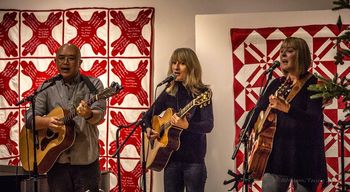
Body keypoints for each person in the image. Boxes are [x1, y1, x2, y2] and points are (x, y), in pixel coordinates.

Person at [249, 37, 328, 192]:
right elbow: (257, 109)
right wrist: (247, 130)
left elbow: (314, 118)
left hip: (304, 156)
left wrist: (288, 108)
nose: (283, 55)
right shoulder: (275, 83)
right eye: (282, 51)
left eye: (290, 51)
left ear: (301, 55)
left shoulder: (314, 83)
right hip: (276, 156)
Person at [24, 43, 106, 192]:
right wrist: (47, 122)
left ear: (80, 62)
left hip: (86, 161)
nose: (65, 62)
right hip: (56, 162)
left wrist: (88, 114)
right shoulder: (47, 87)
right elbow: (30, 118)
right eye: (61, 58)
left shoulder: (94, 85)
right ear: (55, 61)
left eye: (71, 58)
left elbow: (99, 116)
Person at [144, 48, 214, 192]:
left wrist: (187, 126)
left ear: (191, 67)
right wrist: (148, 128)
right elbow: (147, 116)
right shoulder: (169, 90)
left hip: (194, 161)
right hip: (170, 160)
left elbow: (208, 125)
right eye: (174, 63)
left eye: (182, 63)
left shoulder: (202, 93)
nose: (176, 67)